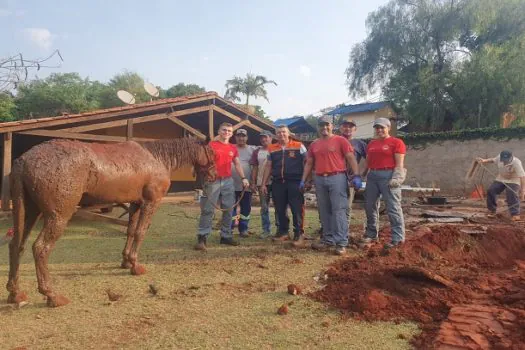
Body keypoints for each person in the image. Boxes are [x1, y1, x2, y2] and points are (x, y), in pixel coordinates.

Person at [302, 115, 361, 256]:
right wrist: (303, 180)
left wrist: (357, 175)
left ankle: (341, 242)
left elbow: (350, 158)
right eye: (321, 125)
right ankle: (328, 239)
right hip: (320, 179)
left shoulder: (340, 140)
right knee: (324, 210)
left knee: (339, 210)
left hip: (337, 177)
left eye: (327, 125)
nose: (324, 127)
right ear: (318, 127)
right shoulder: (314, 144)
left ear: (332, 126)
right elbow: (309, 163)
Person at [195, 123, 250, 250]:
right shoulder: (211, 145)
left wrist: (243, 178)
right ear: (219, 131)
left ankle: (226, 236)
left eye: (229, 131)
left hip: (228, 181)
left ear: (231, 134)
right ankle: (202, 237)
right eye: (224, 130)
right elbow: (202, 162)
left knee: (229, 209)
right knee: (208, 209)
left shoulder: (232, 148)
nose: (226, 132)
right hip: (212, 181)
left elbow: (236, 164)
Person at [361, 117, 406, 249]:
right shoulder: (371, 144)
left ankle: (397, 238)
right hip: (372, 176)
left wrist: (397, 178)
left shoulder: (396, 142)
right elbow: (367, 163)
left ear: (388, 128)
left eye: (382, 127)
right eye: (377, 128)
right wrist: (360, 176)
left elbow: (399, 164)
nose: (379, 130)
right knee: (370, 206)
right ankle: (371, 233)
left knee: (393, 207)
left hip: (389, 176)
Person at [261, 125, 307, 247]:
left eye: (284, 132)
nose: (281, 134)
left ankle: (299, 234)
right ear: (276, 135)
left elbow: (307, 162)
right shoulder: (272, 148)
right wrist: (264, 183)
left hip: (295, 182)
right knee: (280, 209)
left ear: (288, 133)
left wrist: (306, 180)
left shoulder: (299, 146)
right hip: (278, 182)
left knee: (296, 208)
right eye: (279, 132)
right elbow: (268, 166)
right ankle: (283, 232)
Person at [476, 150, 525, 220]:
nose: (504, 162)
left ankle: (515, 214)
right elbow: (492, 160)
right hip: (501, 178)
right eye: (503, 160)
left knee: (511, 193)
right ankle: (492, 210)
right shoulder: (499, 157)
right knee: (491, 190)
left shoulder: (517, 163)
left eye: (506, 160)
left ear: (511, 157)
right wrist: (484, 161)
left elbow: (522, 177)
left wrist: (523, 191)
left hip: (514, 179)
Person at [250, 130, 280, 239]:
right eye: (262, 138)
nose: (263, 139)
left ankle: (279, 229)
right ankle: (266, 230)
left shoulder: (277, 149)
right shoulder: (257, 152)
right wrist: (253, 182)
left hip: (277, 182)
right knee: (264, 207)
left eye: (266, 137)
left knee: (279, 206)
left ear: (271, 138)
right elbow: (254, 168)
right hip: (261, 183)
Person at [231, 129, 257, 237]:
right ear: (235, 137)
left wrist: (253, 182)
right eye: (238, 136)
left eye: (243, 136)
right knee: (231, 208)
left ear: (247, 138)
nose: (241, 138)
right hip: (230, 184)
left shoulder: (253, 149)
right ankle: (230, 228)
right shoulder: (230, 147)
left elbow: (258, 163)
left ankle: (243, 229)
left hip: (246, 185)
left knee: (245, 208)